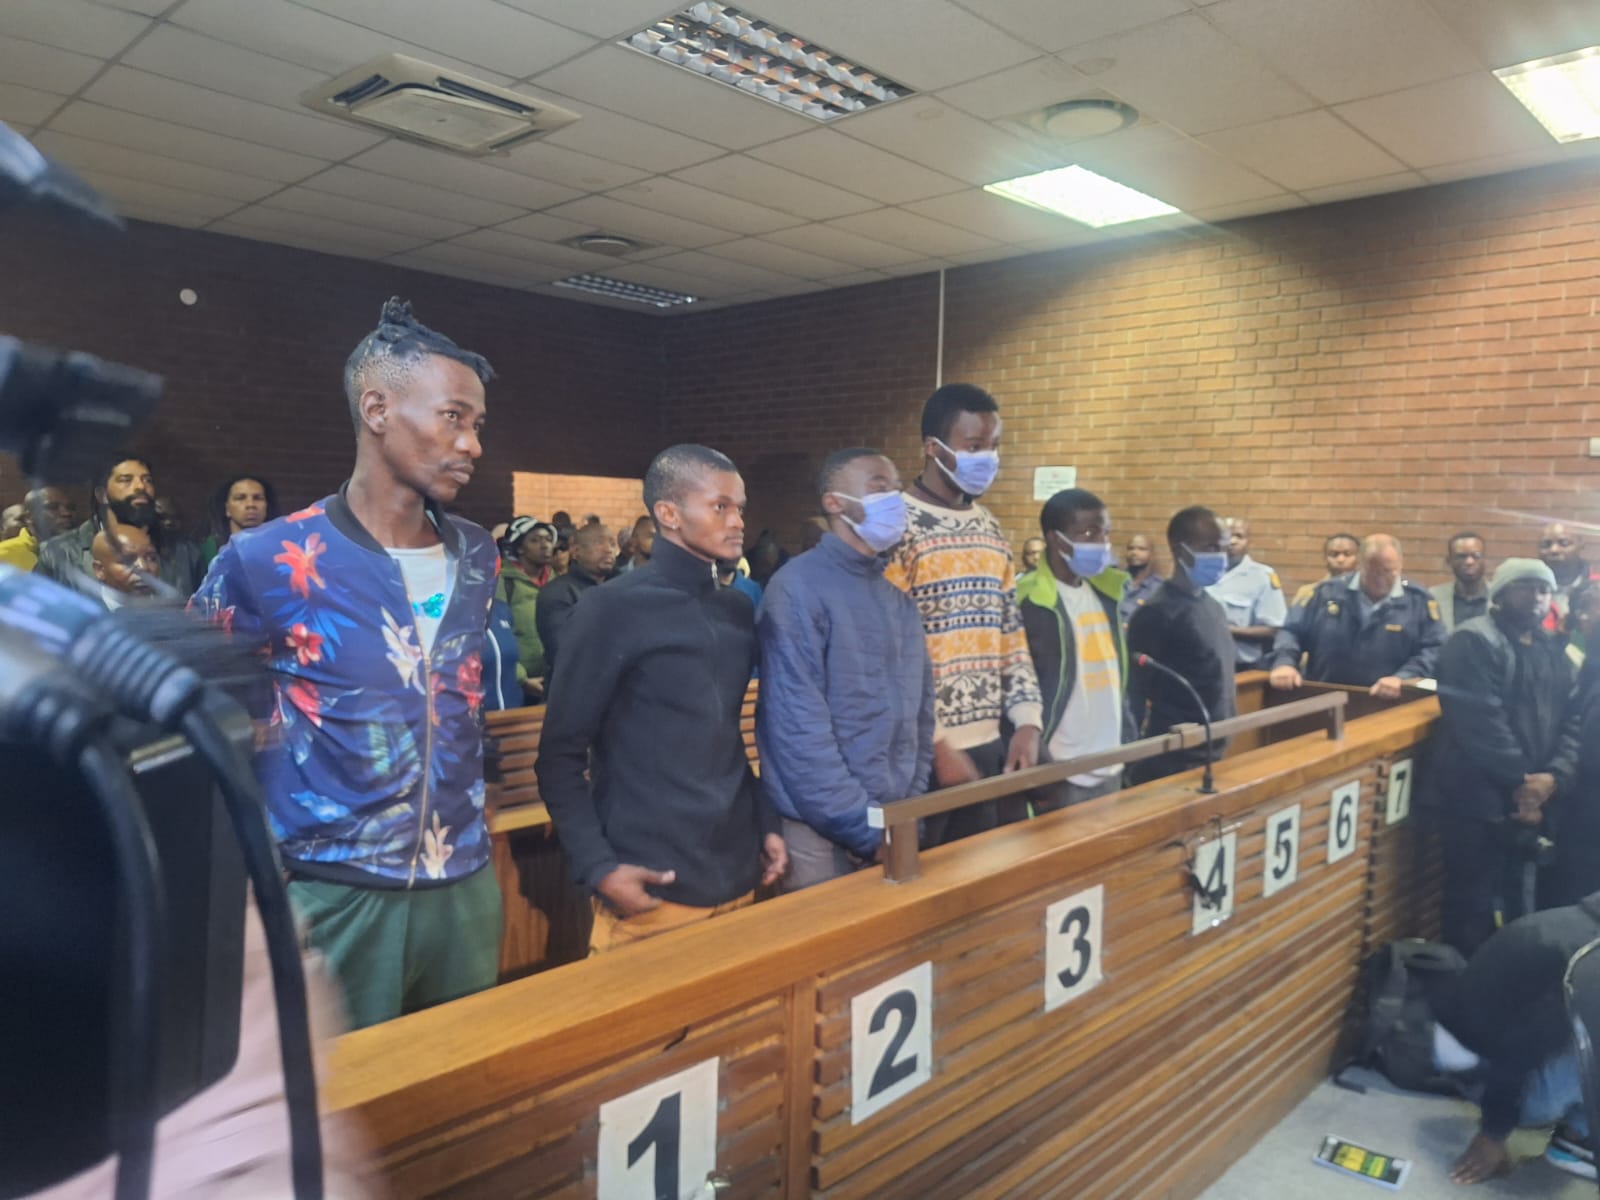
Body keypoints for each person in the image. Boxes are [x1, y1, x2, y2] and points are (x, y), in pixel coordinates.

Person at [191, 297, 502, 1029]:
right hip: (335, 889)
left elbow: (458, 699)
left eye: (477, 424)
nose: (471, 444)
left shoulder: (478, 554)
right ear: (377, 410)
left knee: (463, 1090)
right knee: (343, 1089)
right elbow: (201, 715)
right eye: (452, 417)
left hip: (464, 883)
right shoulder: (267, 557)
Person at [536, 444, 785, 951]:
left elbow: (722, 736)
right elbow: (558, 756)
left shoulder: (736, 610)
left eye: (740, 508)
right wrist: (599, 866)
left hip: (738, 870)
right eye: (720, 507)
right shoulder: (610, 610)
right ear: (669, 514)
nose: (738, 521)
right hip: (652, 883)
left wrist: (766, 823)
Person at [756, 448, 932, 888]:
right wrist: (863, 827)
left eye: (897, 489)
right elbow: (798, 731)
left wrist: (906, 811)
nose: (895, 500)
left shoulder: (898, 601)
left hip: (891, 821)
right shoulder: (797, 589)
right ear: (834, 503)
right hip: (821, 829)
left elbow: (920, 716)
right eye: (879, 487)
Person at [885, 383, 1042, 841]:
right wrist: (935, 744)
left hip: (989, 744)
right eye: (974, 447)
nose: (988, 458)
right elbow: (890, 653)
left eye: (994, 446)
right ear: (932, 448)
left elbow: (1011, 634)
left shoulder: (990, 527)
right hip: (923, 754)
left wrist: (1027, 721)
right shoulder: (896, 528)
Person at [1432, 558, 1577, 955]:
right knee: (1472, 904)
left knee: (1521, 904)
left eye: (1544, 590)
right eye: (1525, 587)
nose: (1537, 597)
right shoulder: (1472, 641)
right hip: (1478, 801)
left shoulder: (1553, 648)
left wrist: (1554, 777)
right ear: (1500, 594)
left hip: (1535, 799)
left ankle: (1506, 982)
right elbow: (1480, 723)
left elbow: (1574, 718)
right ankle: (1465, 984)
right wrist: (1523, 784)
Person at [1431, 893, 1600, 1184]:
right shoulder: (1586, 963)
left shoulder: (1572, 923)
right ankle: (1575, 1141)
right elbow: (1522, 1044)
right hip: (1488, 1079)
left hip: (1460, 1056)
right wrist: (1493, 1135)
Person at [1018, 488, 1131, 812]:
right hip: (1060, 765)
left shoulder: (1107, 593)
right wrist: (1040, 757)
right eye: (1089, 533)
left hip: (1110, 758)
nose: (1102, 543)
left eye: (1105, 532)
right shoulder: (1028, 600)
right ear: (1056, 539)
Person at [1125, 506, 1238, 785]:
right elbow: (1134, 694)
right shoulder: (1157, 613)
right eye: (1211, 548)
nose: (1221, 557)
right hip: (1173, 756)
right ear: (1180, 550)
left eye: (1223, 548)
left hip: (1215, 746)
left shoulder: (1212, 606)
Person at [1269, 534, 1445, 697]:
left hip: (1389, 700)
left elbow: (1433, 648)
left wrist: (1403, 677)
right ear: (1360, 564)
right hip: (1324, 695)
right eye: (1373, 572)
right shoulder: (1326, 593)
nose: (1380, 579)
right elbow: (1291, 631)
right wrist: (1285, 663)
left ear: (1400, 565)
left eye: (1387, 571)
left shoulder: (1418, 601)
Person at [36, 457, 203, 594]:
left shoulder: (185, 552)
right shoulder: (58, 553)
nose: (141, 486)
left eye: (147, 480)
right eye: (126, 480)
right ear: (102, 495)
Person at [536, 522, 616, 685]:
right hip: (575, 689)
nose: (608, 549)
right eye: (599, 543)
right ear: (576, 551)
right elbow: (565, 652)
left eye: (612, 544)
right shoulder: (558, 592)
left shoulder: (619, 587)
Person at [1206, 517, 1286, 671]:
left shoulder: (1262, 576)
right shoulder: (1201, 571)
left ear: (1249, 542)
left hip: (1241, 667)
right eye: (1226, 536)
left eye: (1239, 536)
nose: (1232, 541)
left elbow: (1273, 629)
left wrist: (1226, 630)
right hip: (1199, 663)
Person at [495, 515, 553, 694]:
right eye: (535, 540)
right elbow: (498, 636)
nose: (545, 545)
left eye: (548, 539)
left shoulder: (557, 582)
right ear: (519, 547)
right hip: (517, 682)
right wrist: (521, 678)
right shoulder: (504, 582)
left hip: (552, 678)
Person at [200, 474, 280, 567]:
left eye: (258, 498)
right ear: (227, 508)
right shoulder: (208, 550)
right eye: (240, 498)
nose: (250, 504)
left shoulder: (280, 548)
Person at [1539, 521, 1600, 633]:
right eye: (1546, 545)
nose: (1554, 550)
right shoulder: (1531, 593)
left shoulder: (1598, 585)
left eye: (1564, 543)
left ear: (1581, 545)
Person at [0, 486, 77, 572]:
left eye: (71, 508)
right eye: (53, 507)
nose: (66, 513)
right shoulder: (4, 554)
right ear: (29, 517)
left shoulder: (80, 553)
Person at [1430, 531, 1490, 636]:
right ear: (1449, 561)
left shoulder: (1500, 597)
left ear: (1485, 559)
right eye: (1461, 556)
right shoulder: (1433, 597)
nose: (1469, 562)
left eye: (1476, 556)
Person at [90, 525, 160, 609]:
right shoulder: (82, 612)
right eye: (127, 561)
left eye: (151, 558)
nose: (143, 567)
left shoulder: (169, 604)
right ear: (100, 570)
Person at [1291, 532, 1360, 607]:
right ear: (1325, 558)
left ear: (1359, 558)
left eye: (1347, 554)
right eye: (1334, 554)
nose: (1340, 560)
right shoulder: (1308, 592)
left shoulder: (1367, 593)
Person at [1119, 533, 1163, 628]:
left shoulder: (1159, 588)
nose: (1134, 553)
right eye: (1131, 548)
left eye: (1142, 549)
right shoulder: (1115, 581)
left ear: (1151, 554)